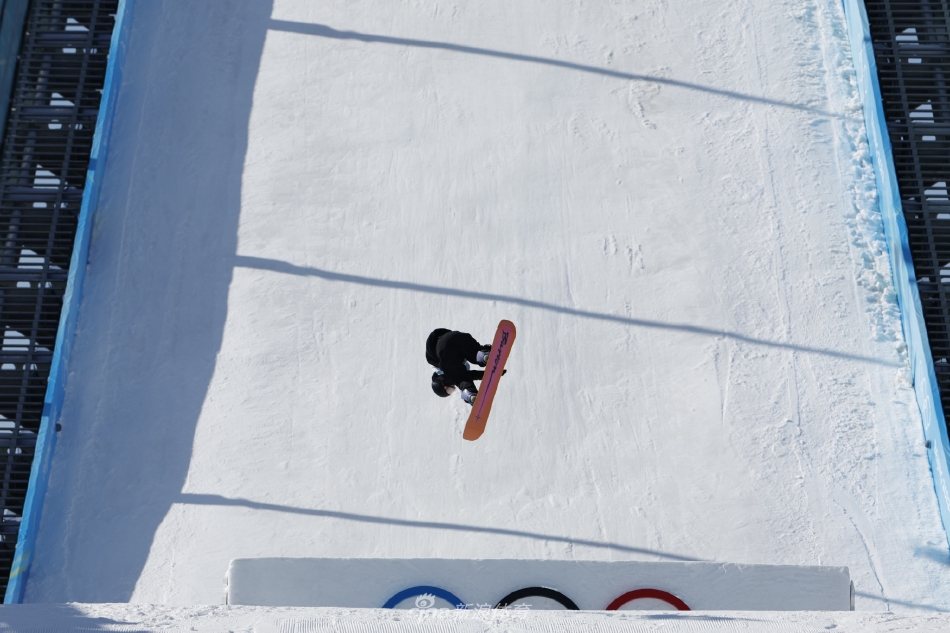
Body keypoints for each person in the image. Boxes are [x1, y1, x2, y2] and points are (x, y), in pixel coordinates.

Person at [426, 328, 493, 405]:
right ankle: (484, 355)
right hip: (456, 336)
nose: (453, 387)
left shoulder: (443, 378)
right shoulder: (439, 368)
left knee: (461, 379)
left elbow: (465, 377)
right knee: (475, 354)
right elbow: (469, 374)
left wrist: (489, 375)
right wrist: (491, 373)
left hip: (443, 349)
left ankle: (470, 395)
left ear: (443, 386)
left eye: (449, 390)